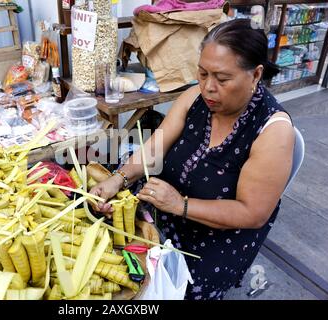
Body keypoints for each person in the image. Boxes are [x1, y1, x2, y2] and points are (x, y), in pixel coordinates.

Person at [90, 19, 295, 300]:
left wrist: (180, 205)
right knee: (105, 226)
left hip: (216, 237)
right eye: (202, 73)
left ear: (256, 75)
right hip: (165, 206)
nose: (208, 87)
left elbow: (253, 213)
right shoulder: (195, 97)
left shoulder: (273, 131)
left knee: (171, 286)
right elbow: (154, 150)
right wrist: (118, 179)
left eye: (222, 79)